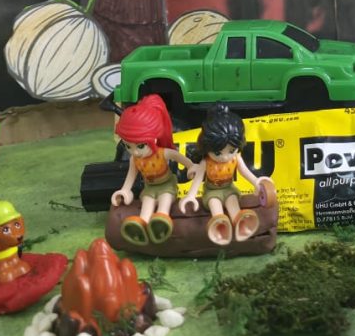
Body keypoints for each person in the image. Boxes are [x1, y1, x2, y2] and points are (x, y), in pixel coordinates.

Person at [180, 105, 275, 245]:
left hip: (229, 189)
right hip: (212, 192)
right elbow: (198, 179)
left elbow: (245, 172)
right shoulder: (206, 162)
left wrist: (256, 182)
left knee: (233, 202)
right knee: (215, 205)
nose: (225, 157)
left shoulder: (236, 158)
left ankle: (241, 224)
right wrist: (191, 195)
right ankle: (220, 226)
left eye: (231, 151)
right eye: (218, 153)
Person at [110, 95, 187, 245]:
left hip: (167, 186)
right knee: (147, 203)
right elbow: (130, 178)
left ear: (155, 138)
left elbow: (183, 160)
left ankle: (162, 221)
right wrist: (124, 191)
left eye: (140, 146)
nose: (135, 152)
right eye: (128, 146)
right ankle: (141, 225)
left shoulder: (163, 153)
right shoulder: (135, 159)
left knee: (165, 200)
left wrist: (193, 167)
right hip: (149, 189)